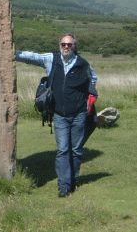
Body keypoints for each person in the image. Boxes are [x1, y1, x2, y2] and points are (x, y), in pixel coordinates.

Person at [16, 33, 99, 197]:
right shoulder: (51, 59)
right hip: (60, 114)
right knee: (62, 150)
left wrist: (87, 99)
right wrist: (13, 53)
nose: (66, 47)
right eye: (63, 44)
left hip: (79, 114)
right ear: (59, 45)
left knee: (75, 150)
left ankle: (73, 180)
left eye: (69, 45)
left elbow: (93, 78)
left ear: (75, 46)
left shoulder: (82, 64)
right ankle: (64, 187)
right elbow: (33, 57)